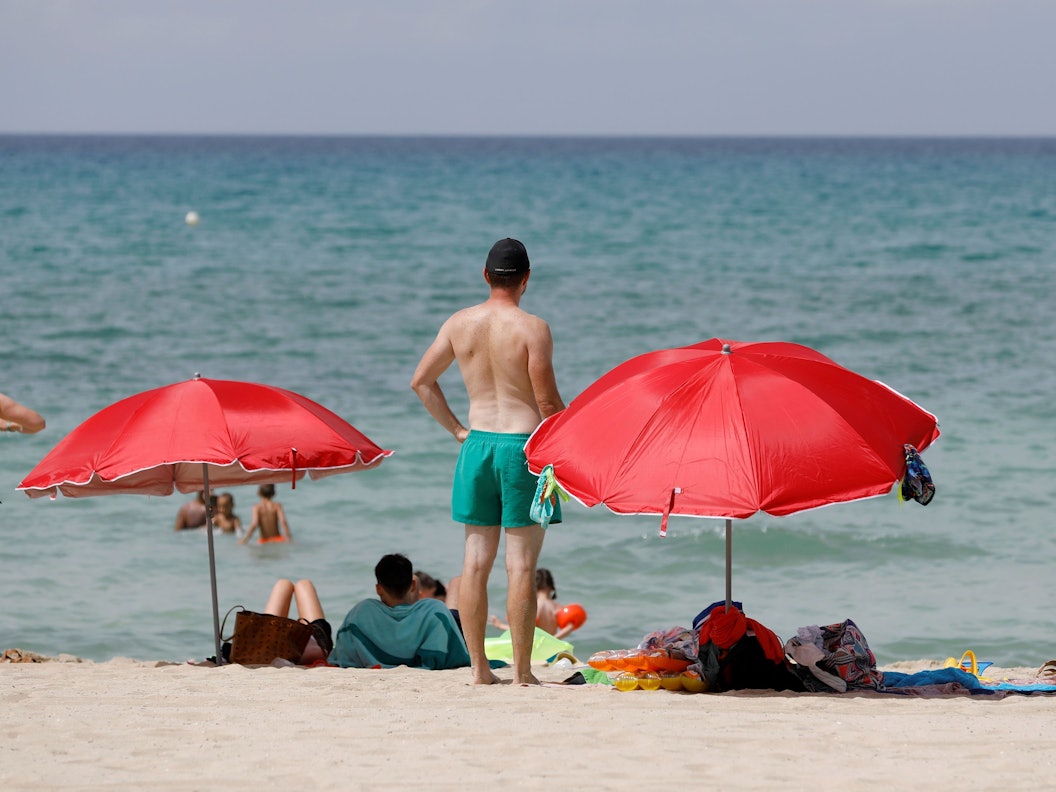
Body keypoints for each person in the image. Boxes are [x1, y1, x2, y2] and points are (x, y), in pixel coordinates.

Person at [411, 237, 566, 685]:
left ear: (485, 276)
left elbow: (421, 381)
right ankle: (521, 673)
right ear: (526, 280)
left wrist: (459, 431)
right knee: (520, 566)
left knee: (474, 563)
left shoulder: (460, 324)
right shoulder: (533, 328)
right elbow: (546, 400)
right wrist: (571, 442)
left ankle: (479, 669)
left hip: (476, 446)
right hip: (523, 449)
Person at [329, 553, 470, 670]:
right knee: (457, 582)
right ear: (414, 585)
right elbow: (456, 656)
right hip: (424, 617)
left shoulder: (362, 612)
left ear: (378, 589)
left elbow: (343, 656)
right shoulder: (435, 609)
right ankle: (408, 597)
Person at [488, 567, 580, 641]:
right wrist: (554, 639)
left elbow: (521, 629)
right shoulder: (556, 607)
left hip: (535, 649)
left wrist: (500, 625)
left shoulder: (533, 607)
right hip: (552, 649)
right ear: (552, 588)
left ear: (533, 587)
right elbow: (570, 626)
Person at [263, 578, 332, 665]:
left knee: (285, 584)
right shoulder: (314, 652)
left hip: (268, 646)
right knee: (300, 584)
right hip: (312, 646)